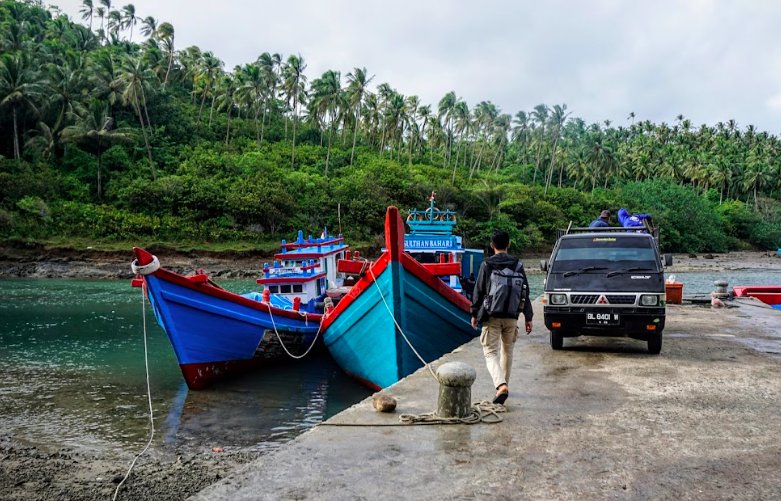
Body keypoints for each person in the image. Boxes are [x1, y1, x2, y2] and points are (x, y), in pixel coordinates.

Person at [470, 230, 533, 405]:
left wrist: (475, 313)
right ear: (509, 244)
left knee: (490, 352)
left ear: (491, 245)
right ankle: (503, 386)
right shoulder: (518, 265)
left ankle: (501, 385)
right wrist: (528, 317)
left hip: (492, 316)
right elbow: (525, 292)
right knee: (508, 351)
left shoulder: (487, 264)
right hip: (512, 316)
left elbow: (479, 291)